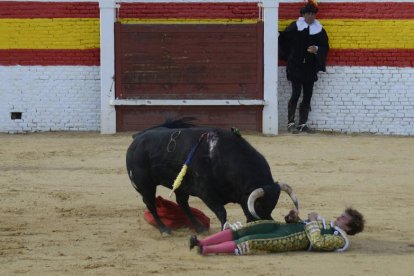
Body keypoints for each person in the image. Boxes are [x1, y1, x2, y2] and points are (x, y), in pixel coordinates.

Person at [188, 208, 365, 256]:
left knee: (250, 240)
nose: (338, 217)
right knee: (245, 229)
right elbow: (307, 225)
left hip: (290, 239)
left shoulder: (340, 241)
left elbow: (317, 241)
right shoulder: (328, 223)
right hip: (284, 227)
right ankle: (202, 242)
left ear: (348, 228)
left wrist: (312, 222)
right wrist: (293, 218)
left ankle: (206, 249)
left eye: (343, 218)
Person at [279, 0, 330, 134]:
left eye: (313, 14)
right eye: (308, 14)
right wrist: (289, 57)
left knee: (307, 95)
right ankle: (291, 123)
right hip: (296, 66)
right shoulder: (294, 27)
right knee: (295, 94)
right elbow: (282, 40)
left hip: (310, 68)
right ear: (303, 14)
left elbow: (325, 47)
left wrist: (317, 49)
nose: (310, 17)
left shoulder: (319, 30)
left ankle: (302, 123)